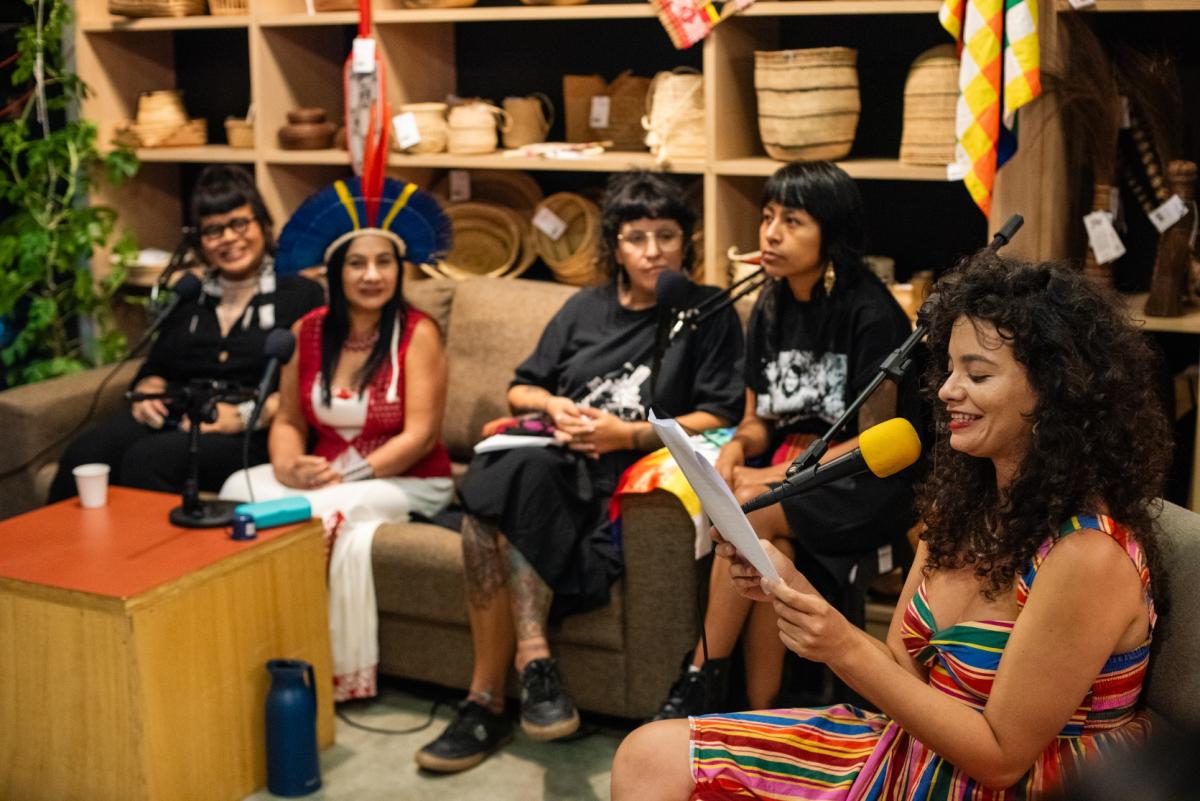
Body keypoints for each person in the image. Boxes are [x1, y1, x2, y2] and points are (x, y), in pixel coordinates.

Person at [611, 250, 1172, 801]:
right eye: (949, 369)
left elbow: (1000, 758)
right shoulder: (961, 511)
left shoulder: (1088, 554)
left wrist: (838, 646)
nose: (948, 391)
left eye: (976, 373)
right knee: (647, 757)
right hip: (916, 752)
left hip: (1024, 783)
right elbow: (903, 676)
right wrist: (792, 590)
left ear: (1056, 390)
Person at [414, 171, 746, 774]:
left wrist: (631, 433)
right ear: (614, 245)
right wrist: (550, 405)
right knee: (515, 469)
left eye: (666, 236)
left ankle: (485, 704)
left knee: (493, 498)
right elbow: (521, 387)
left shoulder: (705, 313)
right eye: (636, 237)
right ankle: (532, 662)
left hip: (622, 476)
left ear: (685, 242)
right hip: (555, 461)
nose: (652, 251)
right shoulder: (582, 307)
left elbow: (721, 412)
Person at [650, 161, 921, 721]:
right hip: (794, 474)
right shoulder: (769, 306)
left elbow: (878, 442)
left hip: (865, 479)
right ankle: (756, 712)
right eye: (768, 216)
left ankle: (700, 677)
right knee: (772, 552)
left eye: (792, 221)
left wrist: (773, 477)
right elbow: (759, 421)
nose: (770, 233)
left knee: (750, 514)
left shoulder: (871, 314)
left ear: (831, 233)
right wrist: (735, 449)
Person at [219, 175, 454, 701]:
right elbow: (287, 421)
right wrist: (286, 467)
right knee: (238, 491)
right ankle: (250, 641)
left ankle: (325, 668)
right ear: (336, 270)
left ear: (399, 269)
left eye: (384, 262)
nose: (372, 275)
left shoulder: (419, 332)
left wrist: (340, 476)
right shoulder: (308, 331)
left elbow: (420, 436)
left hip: (406, 479)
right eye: (357, 263)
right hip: (323, 474)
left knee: (327, 513)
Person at [47, 165, 324, 503]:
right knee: (86, 453)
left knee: (149, 459)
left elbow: (308, 386)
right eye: (214, 230)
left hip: (250, 431)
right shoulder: (192, 293)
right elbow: (157, 366)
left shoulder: (299, 293)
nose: (229, 239)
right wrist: (149, 386)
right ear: (200, 241)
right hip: (181, 414)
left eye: (239, 223)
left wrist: (241, 417)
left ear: (264, 225)